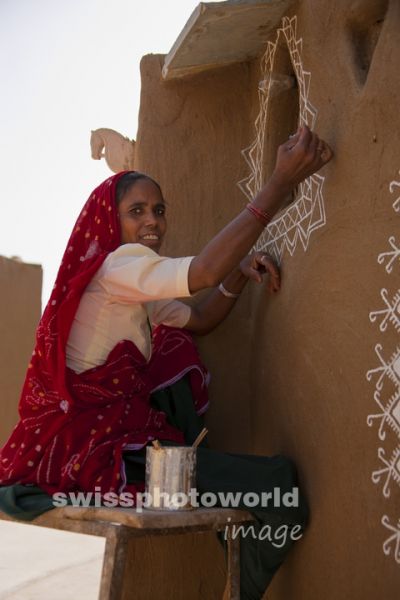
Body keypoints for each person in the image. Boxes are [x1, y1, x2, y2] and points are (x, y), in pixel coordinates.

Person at [0, 125, 332, 598]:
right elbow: (201, 272)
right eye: (136, 212)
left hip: (119, 444)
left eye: (158, 210)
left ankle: (241, 575)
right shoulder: (119, 267)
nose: (152, 221)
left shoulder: (135, 284)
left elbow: (198, 320)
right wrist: (279, 183)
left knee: (261, 482)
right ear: (110, 223)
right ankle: (243, 586)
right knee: (278, 489)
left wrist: (237, 278)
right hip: (94, 455)